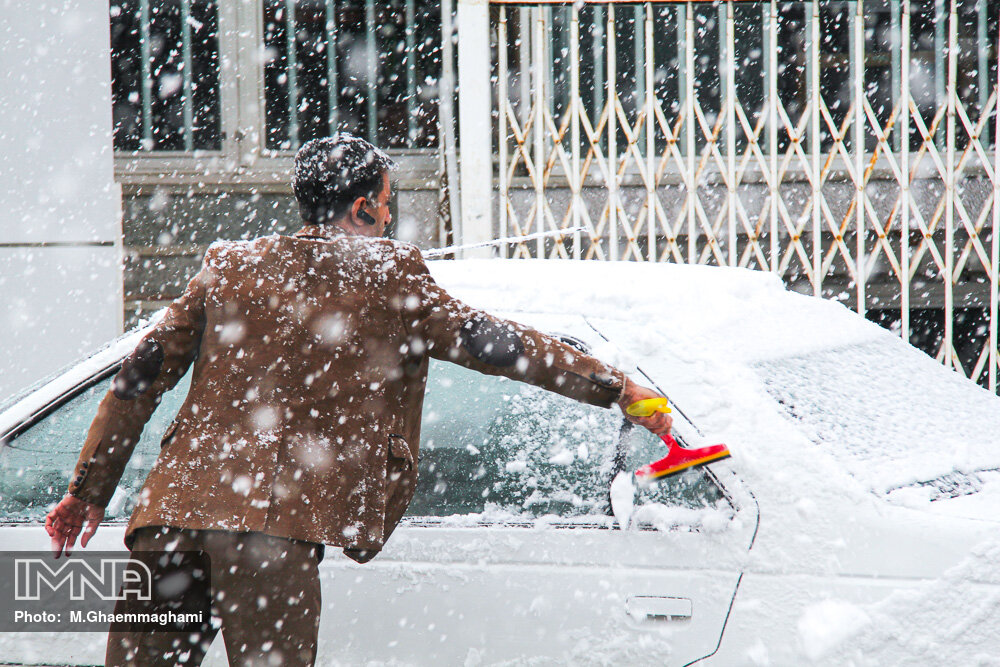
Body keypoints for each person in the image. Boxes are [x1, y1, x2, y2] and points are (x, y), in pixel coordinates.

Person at [45, 133, 672, 666]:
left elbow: (139, 376)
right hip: (270, 538)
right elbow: (498, 343)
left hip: (171, 525)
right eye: (388, 205)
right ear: (364, 209)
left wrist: (86, 492)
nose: (390, 219)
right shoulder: (388, 279)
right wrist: (614, 386)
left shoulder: (229, 267)